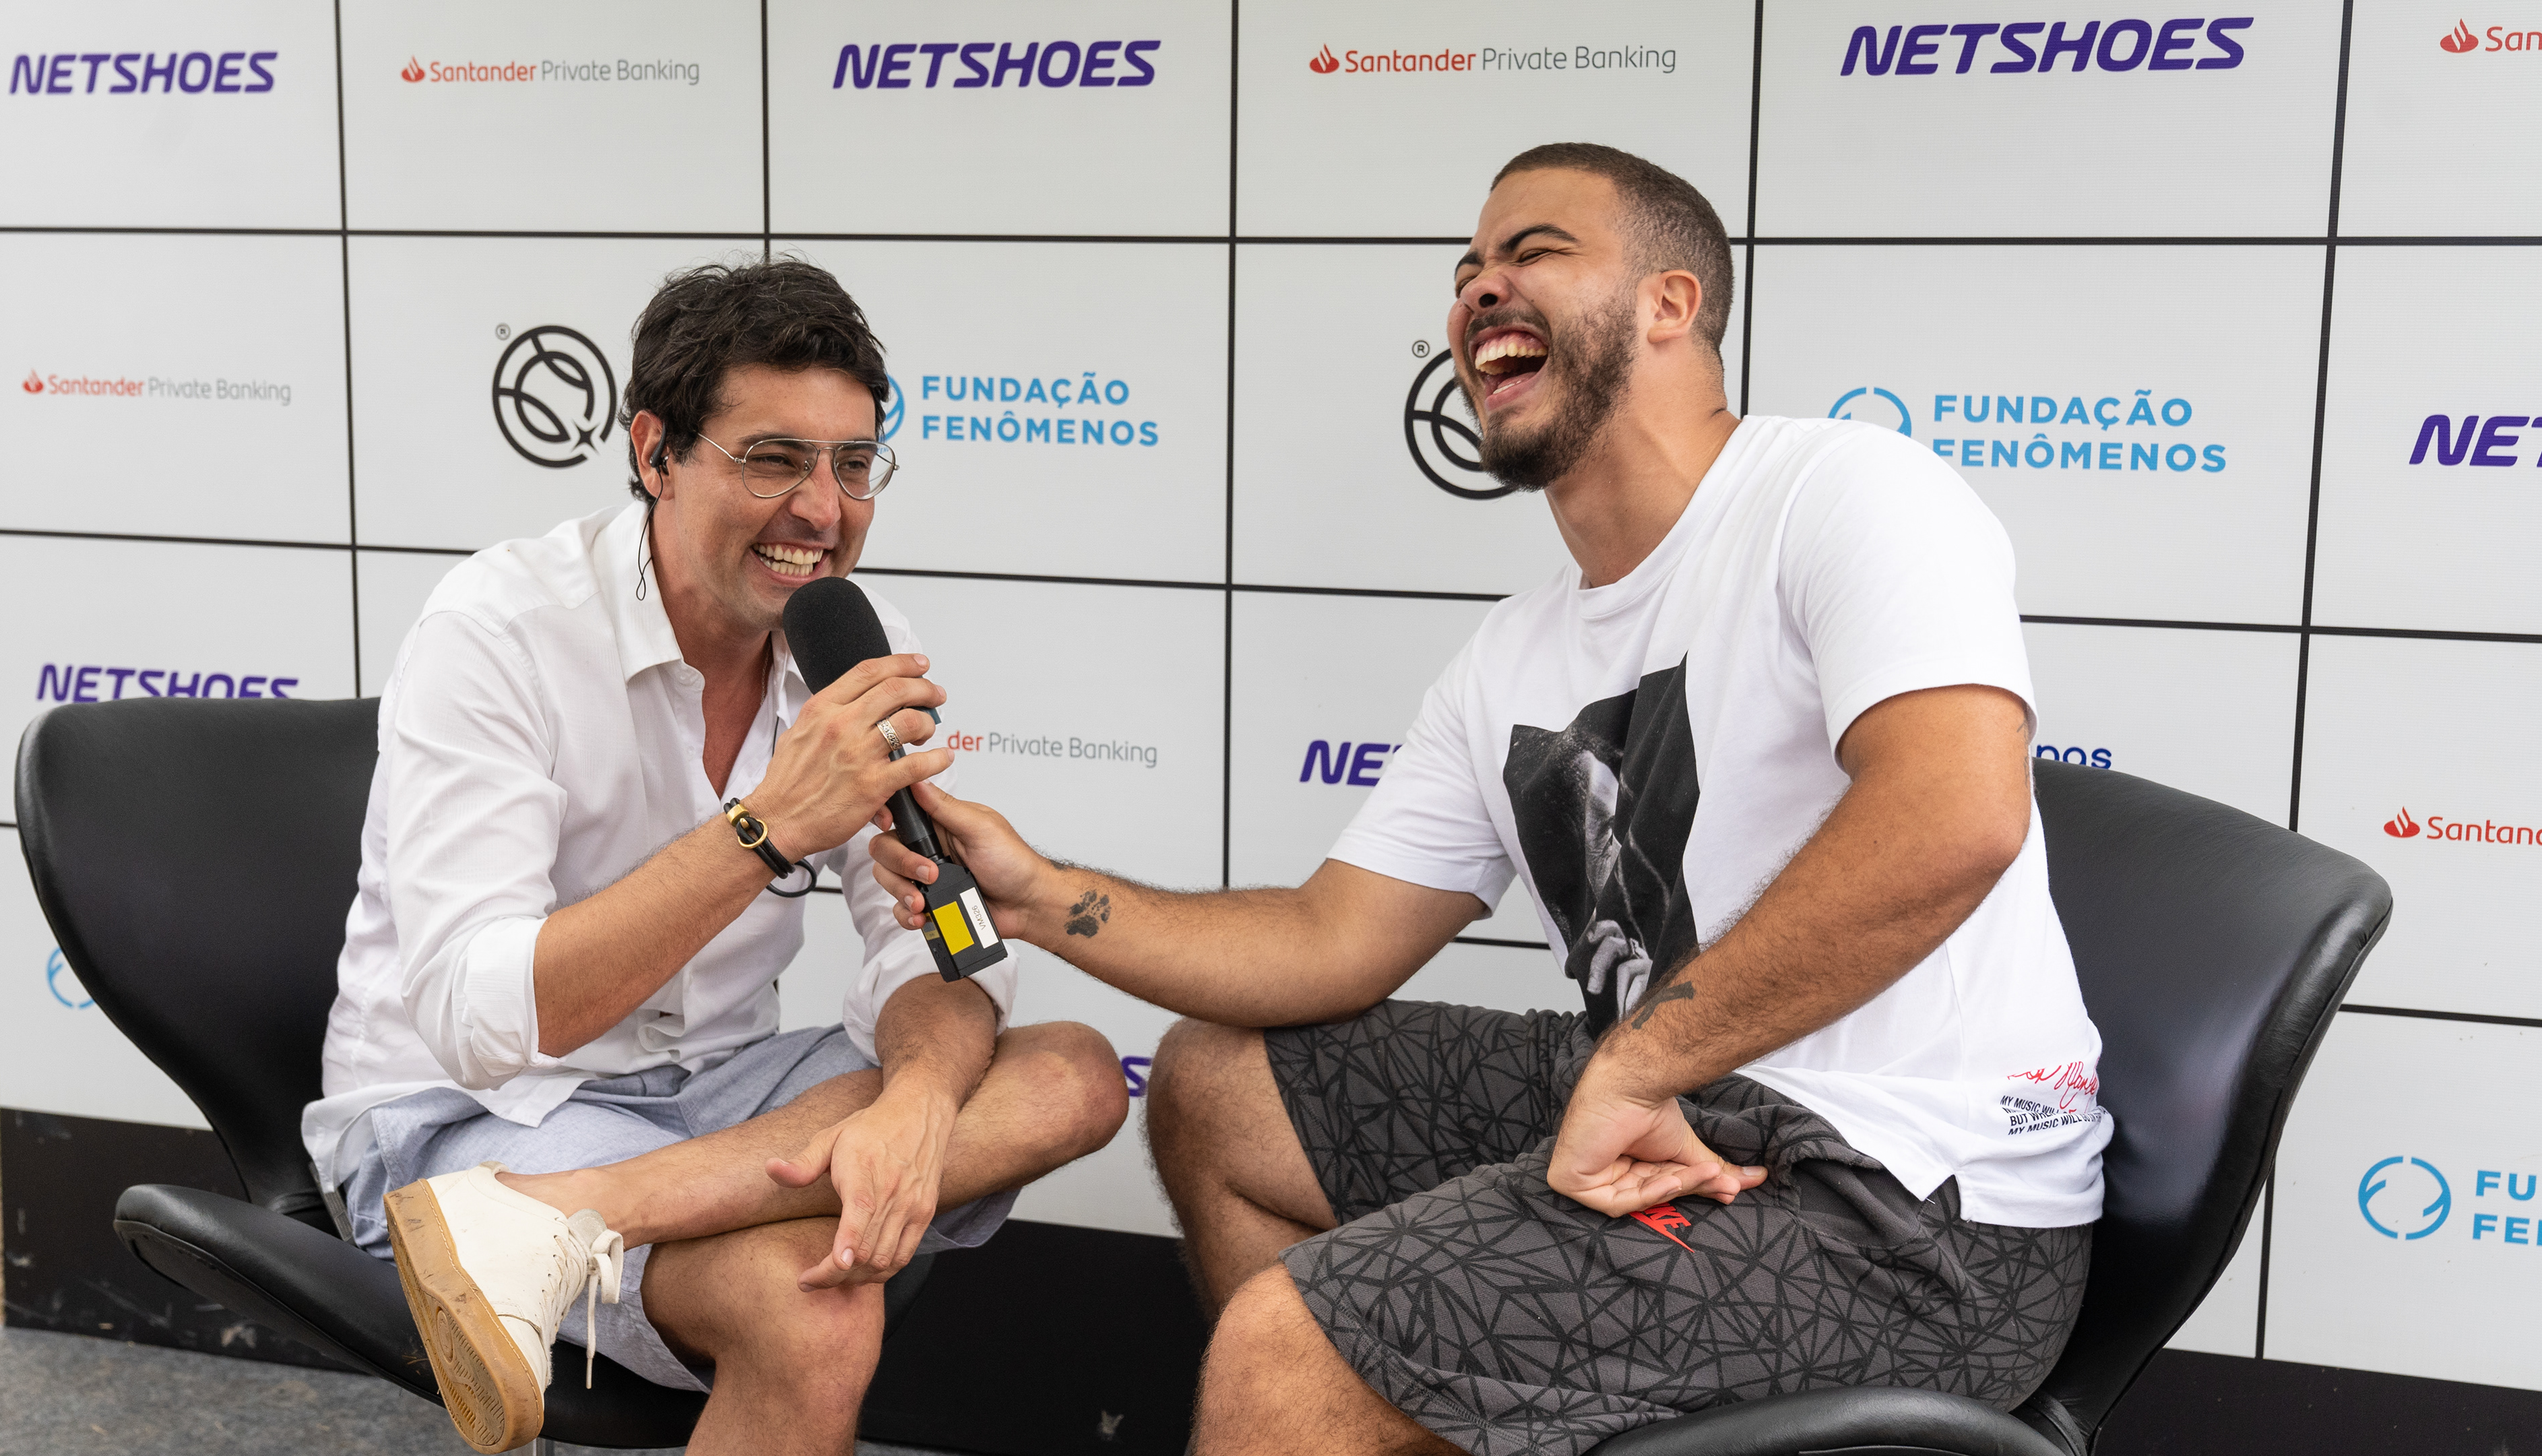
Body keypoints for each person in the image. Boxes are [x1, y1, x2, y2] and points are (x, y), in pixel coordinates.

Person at [865, 144, 2110, 1456]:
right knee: (1218, 1085)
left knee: (1289, 1345)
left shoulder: (1846, 492)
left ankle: (1318, 1399)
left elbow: (1956, 817)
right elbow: (1329, 940)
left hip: (1917, 1211)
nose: (1478, 290)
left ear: (1671, 304)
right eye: (1466, 270)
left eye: (1534, 252)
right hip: (1670, 1099)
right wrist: (1041, 896)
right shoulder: (1514, 654)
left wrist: (1641, 1059)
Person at [303, 257, 1129, 1456]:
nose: (824, 511)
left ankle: (557, 1220)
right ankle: (517, 1214)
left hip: (710, 1100)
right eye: (773, 459)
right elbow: (483, 1023)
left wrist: (916, 1102)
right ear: (656, 453)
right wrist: (766, 828)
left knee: (1074, 1071)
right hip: (472, 1110)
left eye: (854, 464)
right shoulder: (499, 629)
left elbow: (937, 940)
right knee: (816, 1309)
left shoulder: (858, 643)